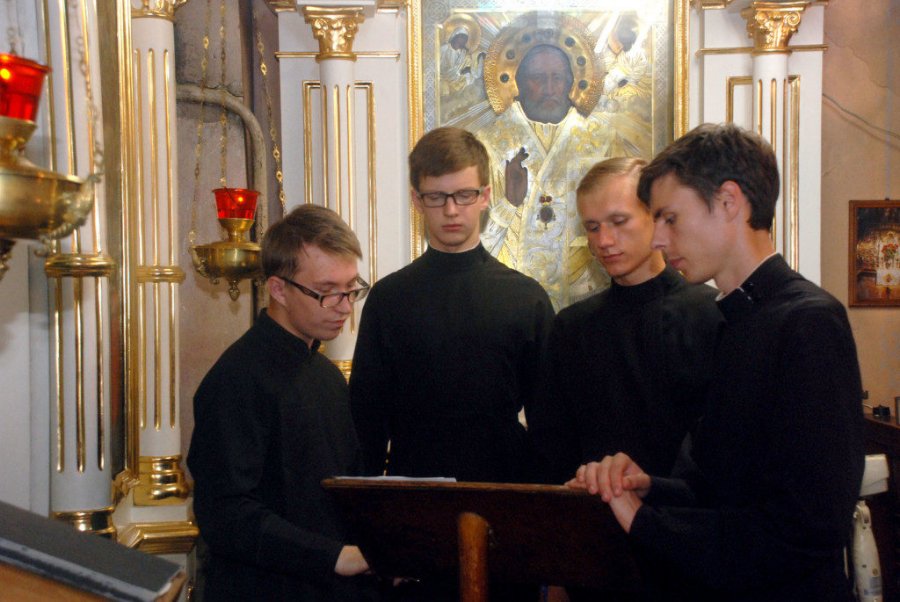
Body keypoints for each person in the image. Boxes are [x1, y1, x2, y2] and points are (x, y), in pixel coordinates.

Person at [567, 123, 865, 601]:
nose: (658, 239)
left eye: (670, 218)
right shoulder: (738, 318)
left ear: (728, 201)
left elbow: (806, 530)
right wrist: (648, 488)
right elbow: (724, 490)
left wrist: (645, 523)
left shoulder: (808, 321)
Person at [350, 126, 552, 600]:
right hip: (414, 509)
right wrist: (375, 535)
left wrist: (546, 537)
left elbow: (550, 426)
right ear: (416, 201)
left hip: (507, 506)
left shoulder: (526, 298)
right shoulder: (389, 300)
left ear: (485, 195)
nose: (452, 211)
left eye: (463, 195)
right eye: (436, 197)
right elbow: (366, 425)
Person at [188, 205, 379, 601]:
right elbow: (225, 513)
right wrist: (333, 556)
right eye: (327, 292)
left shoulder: (327, 377)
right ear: (278, 289)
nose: (345, 306)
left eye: (351, 289)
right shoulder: (237, 378)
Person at [531, 157, 721, 487]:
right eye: (593, 227)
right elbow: (552, 446)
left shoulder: (712, 315)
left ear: (655, 217)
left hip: (688, 512)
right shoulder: (571, 329)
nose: (604, 240)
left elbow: (721, 442)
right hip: (590, 510)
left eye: (618, 222)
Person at [478, 39, 650, 309]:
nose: (549, 88)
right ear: (517, 84)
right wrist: (509, 204)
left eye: (557, 78)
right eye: (537, 78)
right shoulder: (490, 142)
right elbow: (474, 242)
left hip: (587, 292)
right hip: (511, 297)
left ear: (571, 82)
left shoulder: (601, 138)